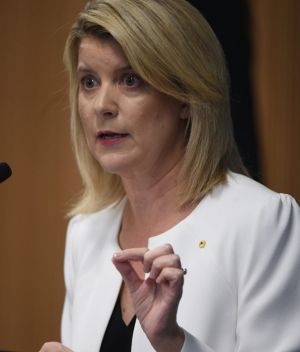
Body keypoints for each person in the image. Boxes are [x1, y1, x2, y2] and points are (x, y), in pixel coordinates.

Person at [39, 0, 300, 351]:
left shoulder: (262, 221)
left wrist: (174, 344)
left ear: (185, 97)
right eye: (89, 82)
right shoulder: (85, 233)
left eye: (130, 79)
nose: (102, 105)